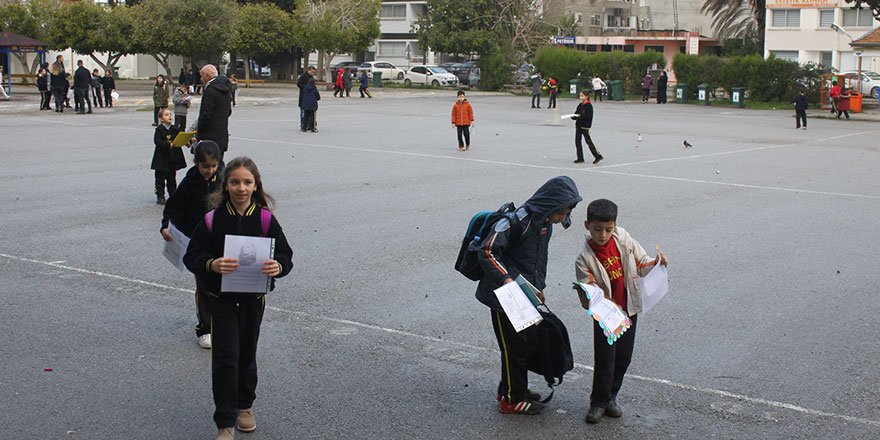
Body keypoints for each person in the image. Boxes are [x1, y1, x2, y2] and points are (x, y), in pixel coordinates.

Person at [182, 156, 293, 440]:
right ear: (226, 185)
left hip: (253, 300)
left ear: (256, 186)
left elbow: (285, 256)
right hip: (221, 300)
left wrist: (277, 267)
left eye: (247, 182)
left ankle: (245, 405)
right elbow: (192, 256)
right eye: (235, 182)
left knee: (246, 354)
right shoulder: (212, 220)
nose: (241, 188)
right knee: (225, 358)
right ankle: (225, 421)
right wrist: (212, 264)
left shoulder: (266, 219)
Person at [476, 176, 582, 415]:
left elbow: (536, 261)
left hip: (524, 296)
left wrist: (538, 289)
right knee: (515, 347)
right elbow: (488, 250)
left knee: (527, 343)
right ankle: (512, 400)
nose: (563, 218)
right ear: (551, 205)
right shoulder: (517, 221)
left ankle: (510, 389)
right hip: (504, 298)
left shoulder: (545, 223)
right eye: (562, 212)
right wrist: (506, 280)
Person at [574, 198, 667, 424]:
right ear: (587, 226)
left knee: (623, 358)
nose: (603, 234)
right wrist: (586, 295)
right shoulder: (584, 259)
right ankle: (598, 402)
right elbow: (589, 293)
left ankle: (611, 398)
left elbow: (642, 262)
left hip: (629, 309)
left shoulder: (624, 240)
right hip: (606, 316)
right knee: (605, 359)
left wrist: (656, 262)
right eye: (597, 229)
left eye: (608, 229)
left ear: (615, 226)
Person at [160, 140, 223, 349]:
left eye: (214, 166)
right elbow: (174, 206)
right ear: (196, 163)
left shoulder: (225, 179)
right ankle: (205, 328)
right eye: (205, 166)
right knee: (204, 285)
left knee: (225, 284)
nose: (210, 170)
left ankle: (226, 324)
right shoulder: (190, 183)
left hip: (223, 240)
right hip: (198, 243)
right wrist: (166, 226)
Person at [194, 64, 233, 160]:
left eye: (202, 76)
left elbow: (206, 115)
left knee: (208, 166)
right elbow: (228, 111)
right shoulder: (225, 89)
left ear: (208, 76)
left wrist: (199, 133)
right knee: (219, 164)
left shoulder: (210, 90)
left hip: (209, 136)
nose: (201, 79)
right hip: (222, 134)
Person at [151, 108, 186, 205]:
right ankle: (160, 195)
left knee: (171, 177)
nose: (170, 116)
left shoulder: (174, 128)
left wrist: (189, 141)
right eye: (166, 115)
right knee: (160, 178)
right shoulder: (159, 129)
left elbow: (181, 136)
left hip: (172, 158)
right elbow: (157, 141)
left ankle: (173, 194)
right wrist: (168, 145)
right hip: (161, 158)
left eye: (170, 114)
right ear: (161, 119)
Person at [571, 90, 603, 164]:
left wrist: (579, 116)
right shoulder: (580, 105)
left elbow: (588, 117)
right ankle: (580, 158)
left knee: (588, 141)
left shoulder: (588, 106)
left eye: (582, 96)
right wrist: (573, 116)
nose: (581, 97)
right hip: (578, 126)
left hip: (585, 126)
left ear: (586, 97)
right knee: (577, 142)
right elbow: (576, 113)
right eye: (580, 96)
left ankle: (597, 156)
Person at [297, 66, 316, 131]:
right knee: (303, 112)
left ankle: (308, 125)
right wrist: (305, 87)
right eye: (311, 71)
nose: (312, 73)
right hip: (303, 96)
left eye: (313, 72)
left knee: (309, 113)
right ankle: (303, 124)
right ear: (308, 70)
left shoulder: (311, 77)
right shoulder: (303, 76)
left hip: (309, 98)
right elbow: (298, 84)